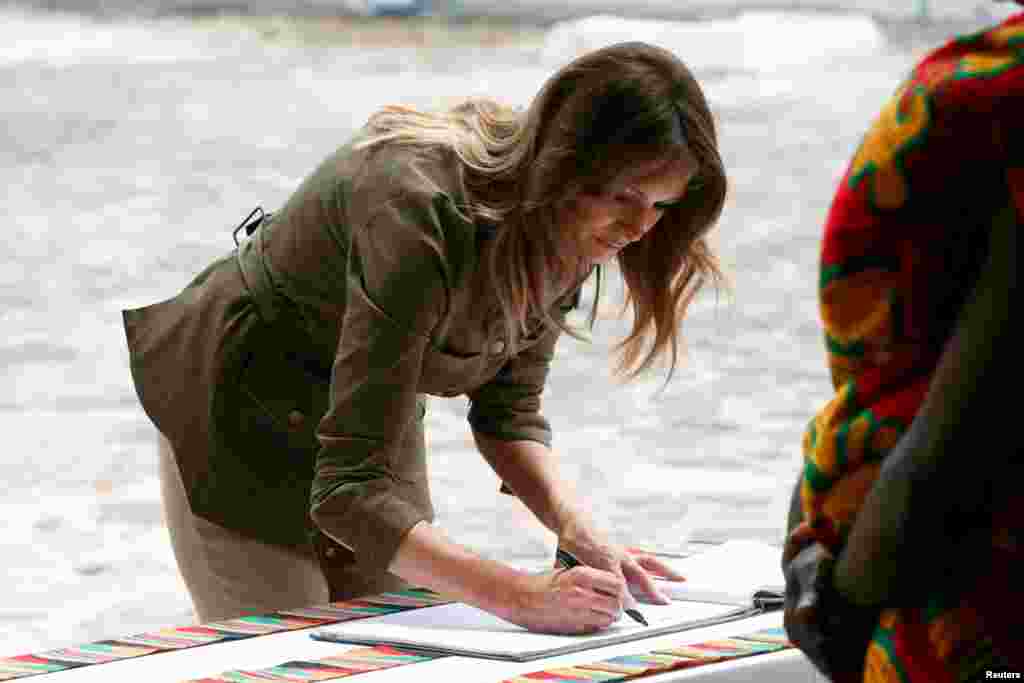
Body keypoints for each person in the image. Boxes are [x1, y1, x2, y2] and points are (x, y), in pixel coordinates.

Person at [123, 41, 728, 635]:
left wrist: (576, 528)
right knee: (291, 653)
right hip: (240, 407)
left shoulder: (574, 228)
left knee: (405, 644)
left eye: (660, 205)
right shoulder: (416, 213)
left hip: (368, 417)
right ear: (562, 163)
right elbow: (348, 492)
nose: (639, 227)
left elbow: (507, 416)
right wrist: (522, 597)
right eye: (625, 196)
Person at [782, 8, 1022, 681]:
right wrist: (807, 539)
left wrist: (844, 605)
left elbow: (973, 425)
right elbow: (908, 380)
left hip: (965, 606)